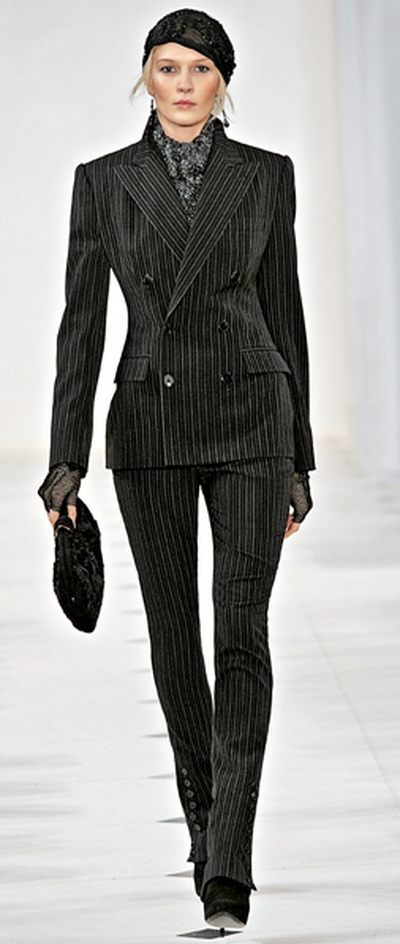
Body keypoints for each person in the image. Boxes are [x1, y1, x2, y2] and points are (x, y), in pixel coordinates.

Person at [38, 8, 315, 932]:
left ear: (223, 81)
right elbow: (81, 325)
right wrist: (65, 460)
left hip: (252, 420)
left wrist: (301, 458)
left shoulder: (266, 176)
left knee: (242, 635)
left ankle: (227, 859)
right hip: (149, 428)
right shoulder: (103, 182)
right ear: (145, 79)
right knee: (173, 638)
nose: (184, 85)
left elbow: (285, 311)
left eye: (200, 69)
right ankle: (205, 821)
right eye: (168, 67)